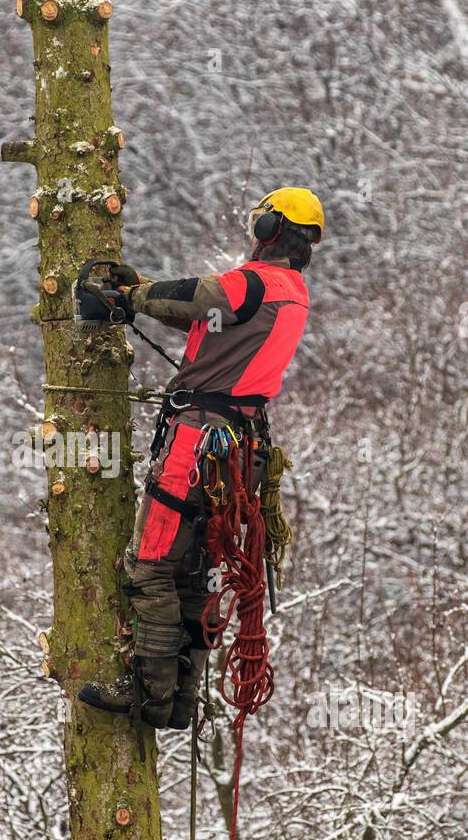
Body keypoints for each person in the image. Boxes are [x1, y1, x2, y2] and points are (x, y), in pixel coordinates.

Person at [76, 186, 324, 731]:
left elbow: (202, 297)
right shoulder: (293, 292)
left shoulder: (254, 282)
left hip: (199, 439)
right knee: (194, 571)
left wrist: (130, 297)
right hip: (240, 446)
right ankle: (184, 697)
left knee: (149, 563)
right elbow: (210, 321)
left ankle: (148, 692)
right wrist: (139, 293)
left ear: (270, 230)